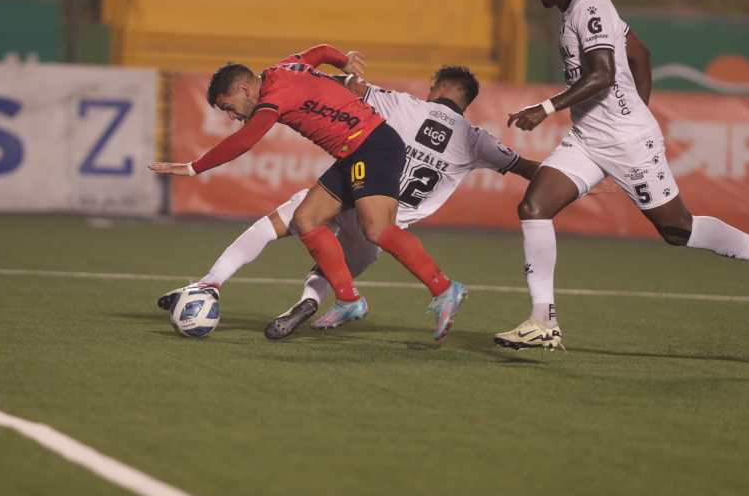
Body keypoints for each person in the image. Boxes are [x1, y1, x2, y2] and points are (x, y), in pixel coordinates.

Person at [496, 0, 749, 351]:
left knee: (678, 229)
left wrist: (550, 109)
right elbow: (641, 53)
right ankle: (542, 320)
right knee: (534, 206)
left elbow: (604, 74)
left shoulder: (589, 6)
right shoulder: (580, 9)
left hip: (626, 142)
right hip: (589, 139)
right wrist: (633, 108)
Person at [157, 66, 539, 339]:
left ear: (435, 86)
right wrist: (574, 181)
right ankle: (335, 299)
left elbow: (351, 87)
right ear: (468, 101)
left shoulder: (403, 105)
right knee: (318, 224)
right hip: (382, 214)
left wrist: (342, 70)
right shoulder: (477, 140)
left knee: (275, 226)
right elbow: (522, 166)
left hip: (367, 176)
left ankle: (212, 283)